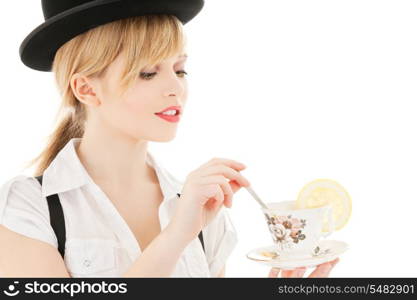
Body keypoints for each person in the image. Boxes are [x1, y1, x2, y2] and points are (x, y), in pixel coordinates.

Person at [0, 0, 339, 278]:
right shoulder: (27, 208)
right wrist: (177, 236)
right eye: (148, 73)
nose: (176, 88)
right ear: (86, 89)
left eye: (179, 70)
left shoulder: (202, 209)